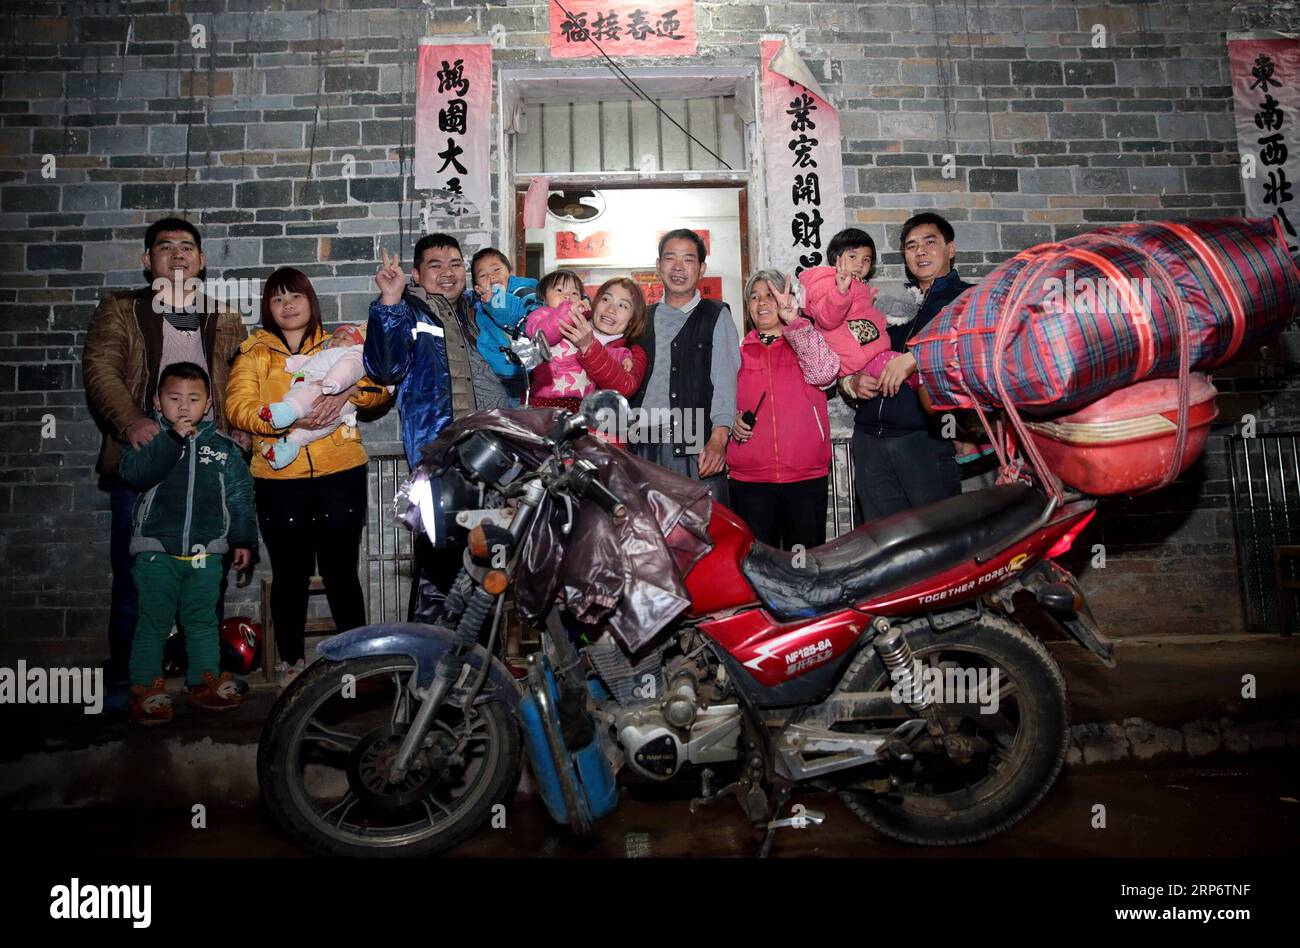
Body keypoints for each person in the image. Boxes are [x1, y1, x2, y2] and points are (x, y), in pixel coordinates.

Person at [82, 216, 248, 708]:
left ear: (201, 261)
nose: (177, 254)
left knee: (207, 579)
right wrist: (133, 423)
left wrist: (240, 427)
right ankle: (129, 685)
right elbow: (100, 370)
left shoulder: (226, 318)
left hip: (208, 469)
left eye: (187, 247)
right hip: (145, 468)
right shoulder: (120, 310)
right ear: (146, 260)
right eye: (165, 247)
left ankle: (204, 678)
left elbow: (241, 381)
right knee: (137, 581)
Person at [225, 267, 389, 689]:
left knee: (341, 570)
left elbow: (380, 387)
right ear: (269, 309)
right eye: (278, 299)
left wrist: (346, 395)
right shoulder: (254, 353)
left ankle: (357, 660)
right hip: (279, 478)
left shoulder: (341, 341)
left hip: (341, 473)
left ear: (310, 301)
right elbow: (238, 407)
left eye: (295, 296)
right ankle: (292, 661)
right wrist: (286, 422)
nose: (288, 305)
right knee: (290, 572)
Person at [365, 237, 509, 623]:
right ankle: (430, 667)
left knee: (485, 564)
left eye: (455, 264)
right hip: (440, 460)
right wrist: (390, 303)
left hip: (488, 459)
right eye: (435, 265)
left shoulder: (476, 314)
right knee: (439, 569)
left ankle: (481, 666)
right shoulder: (408, 312)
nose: (447, 272)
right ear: (416, 274)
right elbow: (384, 368)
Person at [118, 362, 256, 725]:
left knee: (202, 620)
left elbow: (241, 495)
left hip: (206, 553)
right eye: (174, 398)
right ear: (157, 400)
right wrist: (171, 440)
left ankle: (204, 680)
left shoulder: (223, 449)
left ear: (208, 404)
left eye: (193, 399)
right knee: (153, 622)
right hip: (155, 551)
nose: (183, 407)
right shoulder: (146, 441)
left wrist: (243, 539)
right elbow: (135, 474)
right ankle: (145, 688)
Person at [841, 212, 973, 521]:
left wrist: (916, 358)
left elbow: (970, 353)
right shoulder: (890, 303)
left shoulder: (968, 299)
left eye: (930, 242)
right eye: (911, 246)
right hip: (870, 439)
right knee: (881, 544)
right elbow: (854, 353)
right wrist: (853, 382)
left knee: (938, 540)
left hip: (925, 441)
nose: (920, 252)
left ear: (950, 248)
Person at [727, 270, 840, 550]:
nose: (762, 302)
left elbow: (826, 374)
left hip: (805, 476)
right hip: (750, 479)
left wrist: (795, 323)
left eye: (770, 295)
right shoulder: (736, 353)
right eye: (754, 297)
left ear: (786, 299)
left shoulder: (806, 341)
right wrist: (729, 420)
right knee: (757, 567)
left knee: (804, 566)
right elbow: (717, 401)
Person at [629, 229, 739, 502]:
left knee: (702, 533)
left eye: (688, 260)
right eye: (670, 258)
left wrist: (719, 438)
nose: (678, 267)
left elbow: (725, 380)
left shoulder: (715, 315)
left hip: (695, 445)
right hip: (642, 441)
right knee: (647, 535)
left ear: (701, 268)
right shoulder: (641, 318)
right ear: (658, 266)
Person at [525, 275, 648, 412]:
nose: (611, 309)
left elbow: (624, 383)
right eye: (605, 299)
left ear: (632, 319)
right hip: (544, 401)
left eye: (622, 305)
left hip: (583, 411)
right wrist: (568, 312)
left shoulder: (633, 350)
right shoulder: (551, 317)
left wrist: (623, 356)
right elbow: (543, 333)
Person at [470, 247, 539, 406]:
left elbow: (529, 320)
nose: (491, 276)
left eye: (496, 269)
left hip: (531, 375)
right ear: (477, 287)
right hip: (501, 381)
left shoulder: (525, 292)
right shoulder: (478, 305)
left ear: (509, 272)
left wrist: (495, 299)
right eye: (483, 275)